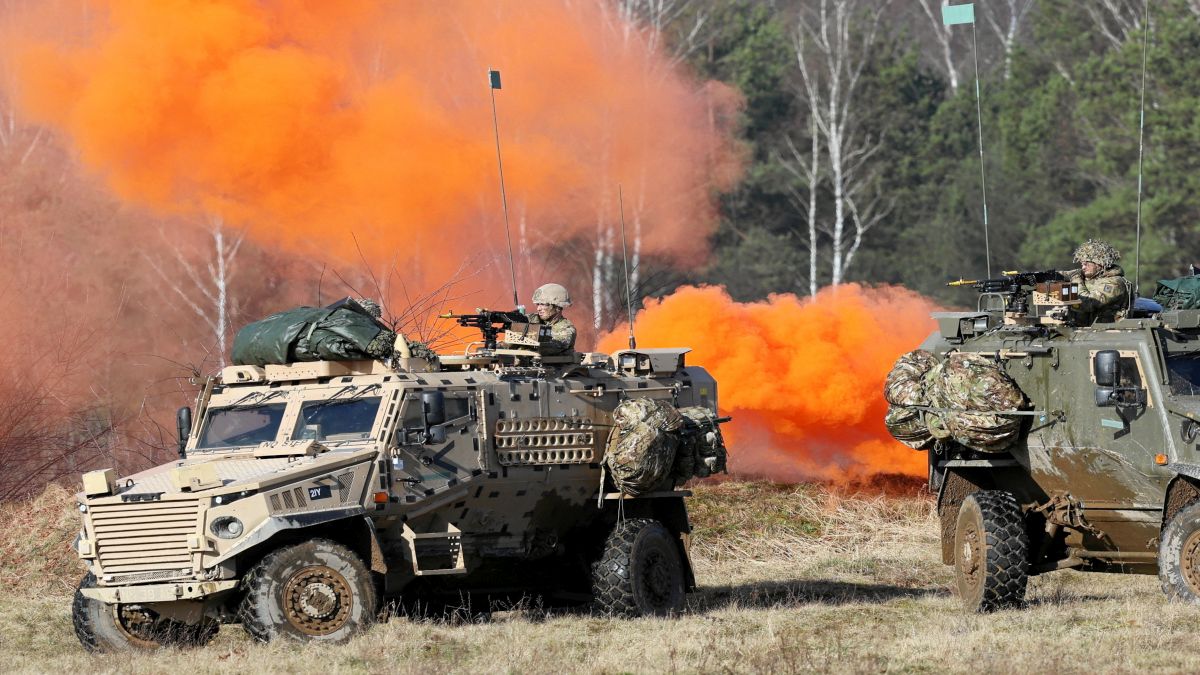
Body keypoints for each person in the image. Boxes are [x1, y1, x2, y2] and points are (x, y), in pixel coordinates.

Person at [1063, 239, 1130, 325]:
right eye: (1082, 264)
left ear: (1099, 264)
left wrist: (1076, 279)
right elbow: (1061, 275)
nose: (1083, 267)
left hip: (1107, 332)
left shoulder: (1114, 282)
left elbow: (1088, 304)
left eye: (1086, 264)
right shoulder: (1088, 278)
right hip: (1084, 332)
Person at [527, 283, 577, 355]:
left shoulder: (566, 328)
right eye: (538, 304)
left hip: (555, 365)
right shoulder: (536, 319)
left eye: (544, 304)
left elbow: (550, 348)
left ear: (558, 307)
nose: (538, 308)